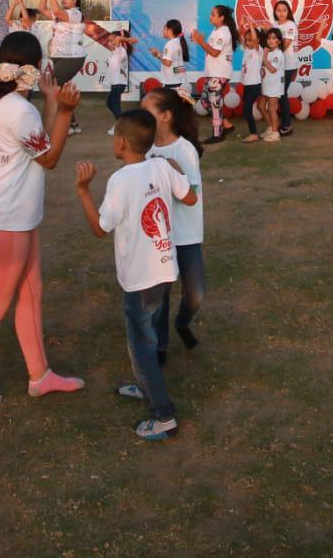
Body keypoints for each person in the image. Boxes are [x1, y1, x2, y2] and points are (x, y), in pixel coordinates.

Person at [0, 31, 84, 412]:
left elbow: (41, 142)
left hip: (16, 219)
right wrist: (67, 111)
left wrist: (54, 102)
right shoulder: (19, 110)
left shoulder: (15, 105)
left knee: (30, 293)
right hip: (6, 221)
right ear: (33, 68)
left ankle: (40, 374)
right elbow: (50, 157)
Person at [73, 109, 197, 442]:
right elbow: (190, 196)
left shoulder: (121, 180)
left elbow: (101, 228)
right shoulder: (160, 165)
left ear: (122, 142)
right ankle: (146, 386)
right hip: (164, 269)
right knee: (152, 333)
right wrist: (175, 171)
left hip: (142, 279)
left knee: (141, 348)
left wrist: (84, 190)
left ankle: (164, 417)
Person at [143, 87, 207, 358]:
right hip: (159, 237)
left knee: (196, 294)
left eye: (147, 112)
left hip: (187, 233)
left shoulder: (184, 149)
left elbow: (190, 195)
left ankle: (182, 322)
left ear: (166, 116)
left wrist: (171, 172)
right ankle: (160, 347)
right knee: (159, 298)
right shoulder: (143, 148)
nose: (140, 116)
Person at [41, 0, 89, 136]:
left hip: (72, 58)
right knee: (60, 90)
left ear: (75, 0)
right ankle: (73, 123)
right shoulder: (61, 15)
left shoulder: (75, 13)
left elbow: (59, 12)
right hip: (60, 57)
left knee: (54, 87)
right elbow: (41, 8)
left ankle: (62, 124)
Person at [188, 5, 237, 144]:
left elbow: (215, 52)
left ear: (222, 18)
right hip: (213, 73)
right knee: (205, 102)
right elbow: (210, 49)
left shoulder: (223, 31)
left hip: (219, 73)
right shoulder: (217, 30)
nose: (210, 17)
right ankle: (226, 125)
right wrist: (200, 40)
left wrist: (201, 41)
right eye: (211, 14)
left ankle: (217, 134)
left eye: (213, 14)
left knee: (214, 103)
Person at [273, 0, 299, 135]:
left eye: (284, 10)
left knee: (282, 94)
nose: (281, 13)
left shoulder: (290, 25)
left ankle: (287, 125)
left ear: (288, 11)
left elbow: (284, 45)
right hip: (276, 66)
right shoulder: (274, 25)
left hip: (288, 66)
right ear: (274, 12)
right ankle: (279, 124)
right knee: (279, 94)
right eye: (278, 10)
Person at [238, 25, 265, 143]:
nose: (248, 42)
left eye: (250, 40)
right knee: (246, 110)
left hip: (255, 85)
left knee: (247, 110)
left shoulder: (258, 51)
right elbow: (239, 38)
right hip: (247, 85)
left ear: (257, 40)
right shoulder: (247, 50)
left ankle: (253, 134)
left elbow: (254, 40)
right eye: (246, 40)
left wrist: (252, 27)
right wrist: (240, 27)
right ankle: (253, 132)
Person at [258, 27, 285, 142]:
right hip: (266, 85)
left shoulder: (278, 54)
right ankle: (270, 128)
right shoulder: (269, 52)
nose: (270, 40)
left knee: (272, 109)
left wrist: (264, 57)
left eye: (274, 38)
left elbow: (272, 69)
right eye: (269, 38)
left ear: (278, 41)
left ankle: (275, 133)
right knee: (261, 106)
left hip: (275, 87)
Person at [157, 20, 190, 97]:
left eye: (164, 28)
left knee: (170, 106)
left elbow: (168, 63)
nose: (163, 31)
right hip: (180, 80)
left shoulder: (170, 44)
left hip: (171, 82)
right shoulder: (178, 42)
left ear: (170, 30)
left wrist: (159, 56)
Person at [104, 30, 131, 124]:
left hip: (118, 84)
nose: (108, 43)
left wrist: (128, 39)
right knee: (114, 104)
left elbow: (118, 39)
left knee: (112, 104)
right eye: (108, 41)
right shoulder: (115, 52)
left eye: (111, 41)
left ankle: (121, 125)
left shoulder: (120, 50)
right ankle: (120, 124)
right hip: (116, 83)